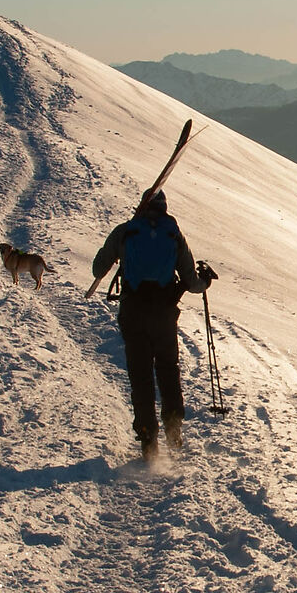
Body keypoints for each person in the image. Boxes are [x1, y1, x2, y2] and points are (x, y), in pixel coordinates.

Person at [89, 189, 212, 456]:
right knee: (168, 368)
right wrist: (206, 280)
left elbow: (98, 269)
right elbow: (191, 282)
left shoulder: (126, 231)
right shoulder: (173, 234)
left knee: (140, 374)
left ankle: (147, 435)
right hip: (164, 314)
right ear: (164, 207)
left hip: (133, 312)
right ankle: (173, 425)